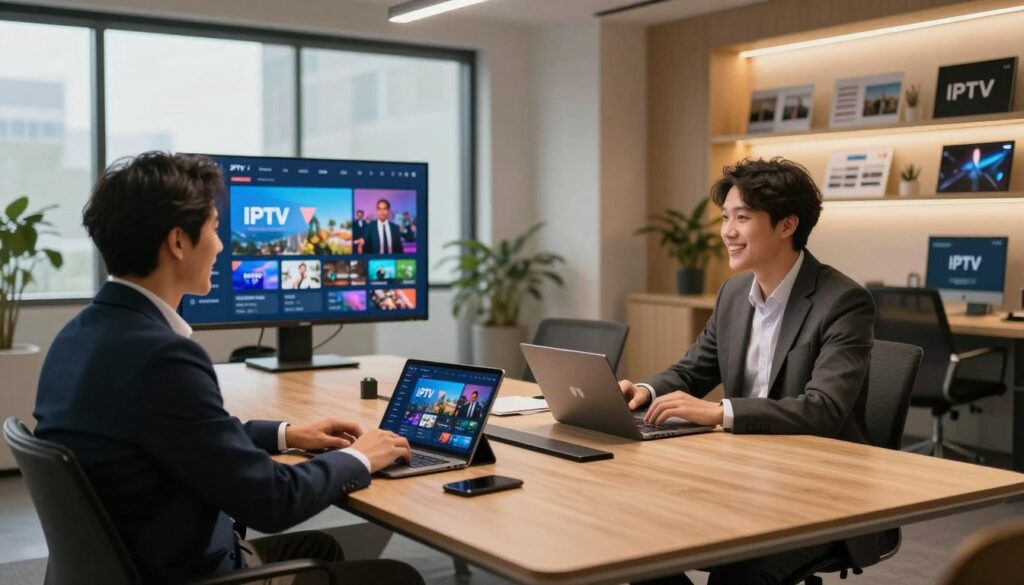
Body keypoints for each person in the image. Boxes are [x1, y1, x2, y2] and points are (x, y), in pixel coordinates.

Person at [33, 152, 421, 585]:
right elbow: (273, 502)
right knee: (397, 577)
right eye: (216, 228)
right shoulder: (162, 358)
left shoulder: (77, 336)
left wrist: (286, 434)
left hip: (131, 562)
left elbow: (180, 432)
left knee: (322, 550)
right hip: (185, 573)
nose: (221, 245)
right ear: (178, 242)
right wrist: (359, 457)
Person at [620, 157, 877, 585]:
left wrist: (720, 412)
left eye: (742, 218)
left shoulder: (843, 302)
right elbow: (690, 371)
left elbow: (824, 409)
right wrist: (644, 390)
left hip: (817, 496)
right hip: (741, 479)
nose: (727, 231)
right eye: (725, 218)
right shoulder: (735, 294)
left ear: (786, 225)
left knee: (736, 573)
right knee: (634, 544)